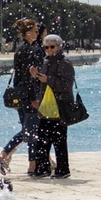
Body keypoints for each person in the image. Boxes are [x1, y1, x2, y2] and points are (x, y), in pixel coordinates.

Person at [0, 19, 44, 175]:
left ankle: (24, 162)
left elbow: (19, 76)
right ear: (29, 33)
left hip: (19, 94)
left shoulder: (19, 49)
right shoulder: (34, 50)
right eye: (36, 31)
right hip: (30, 94)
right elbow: (31, 77)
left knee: (28, 129)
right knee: (31, 130)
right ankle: (29, 165)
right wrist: (34, 97)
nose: (38, 34)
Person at [29, 33, 75, 179]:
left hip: (59, 107)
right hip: (46, 106)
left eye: (52, 47)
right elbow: (42, 84)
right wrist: (36, 76)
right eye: (46, 47)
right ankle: (42, 169)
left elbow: (66, 85)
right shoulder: (46, 61)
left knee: (59, 141)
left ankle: (63, 170)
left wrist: (47, 79)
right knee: (42, 139)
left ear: (59, 47)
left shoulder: (64, 63)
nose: (48, 49)